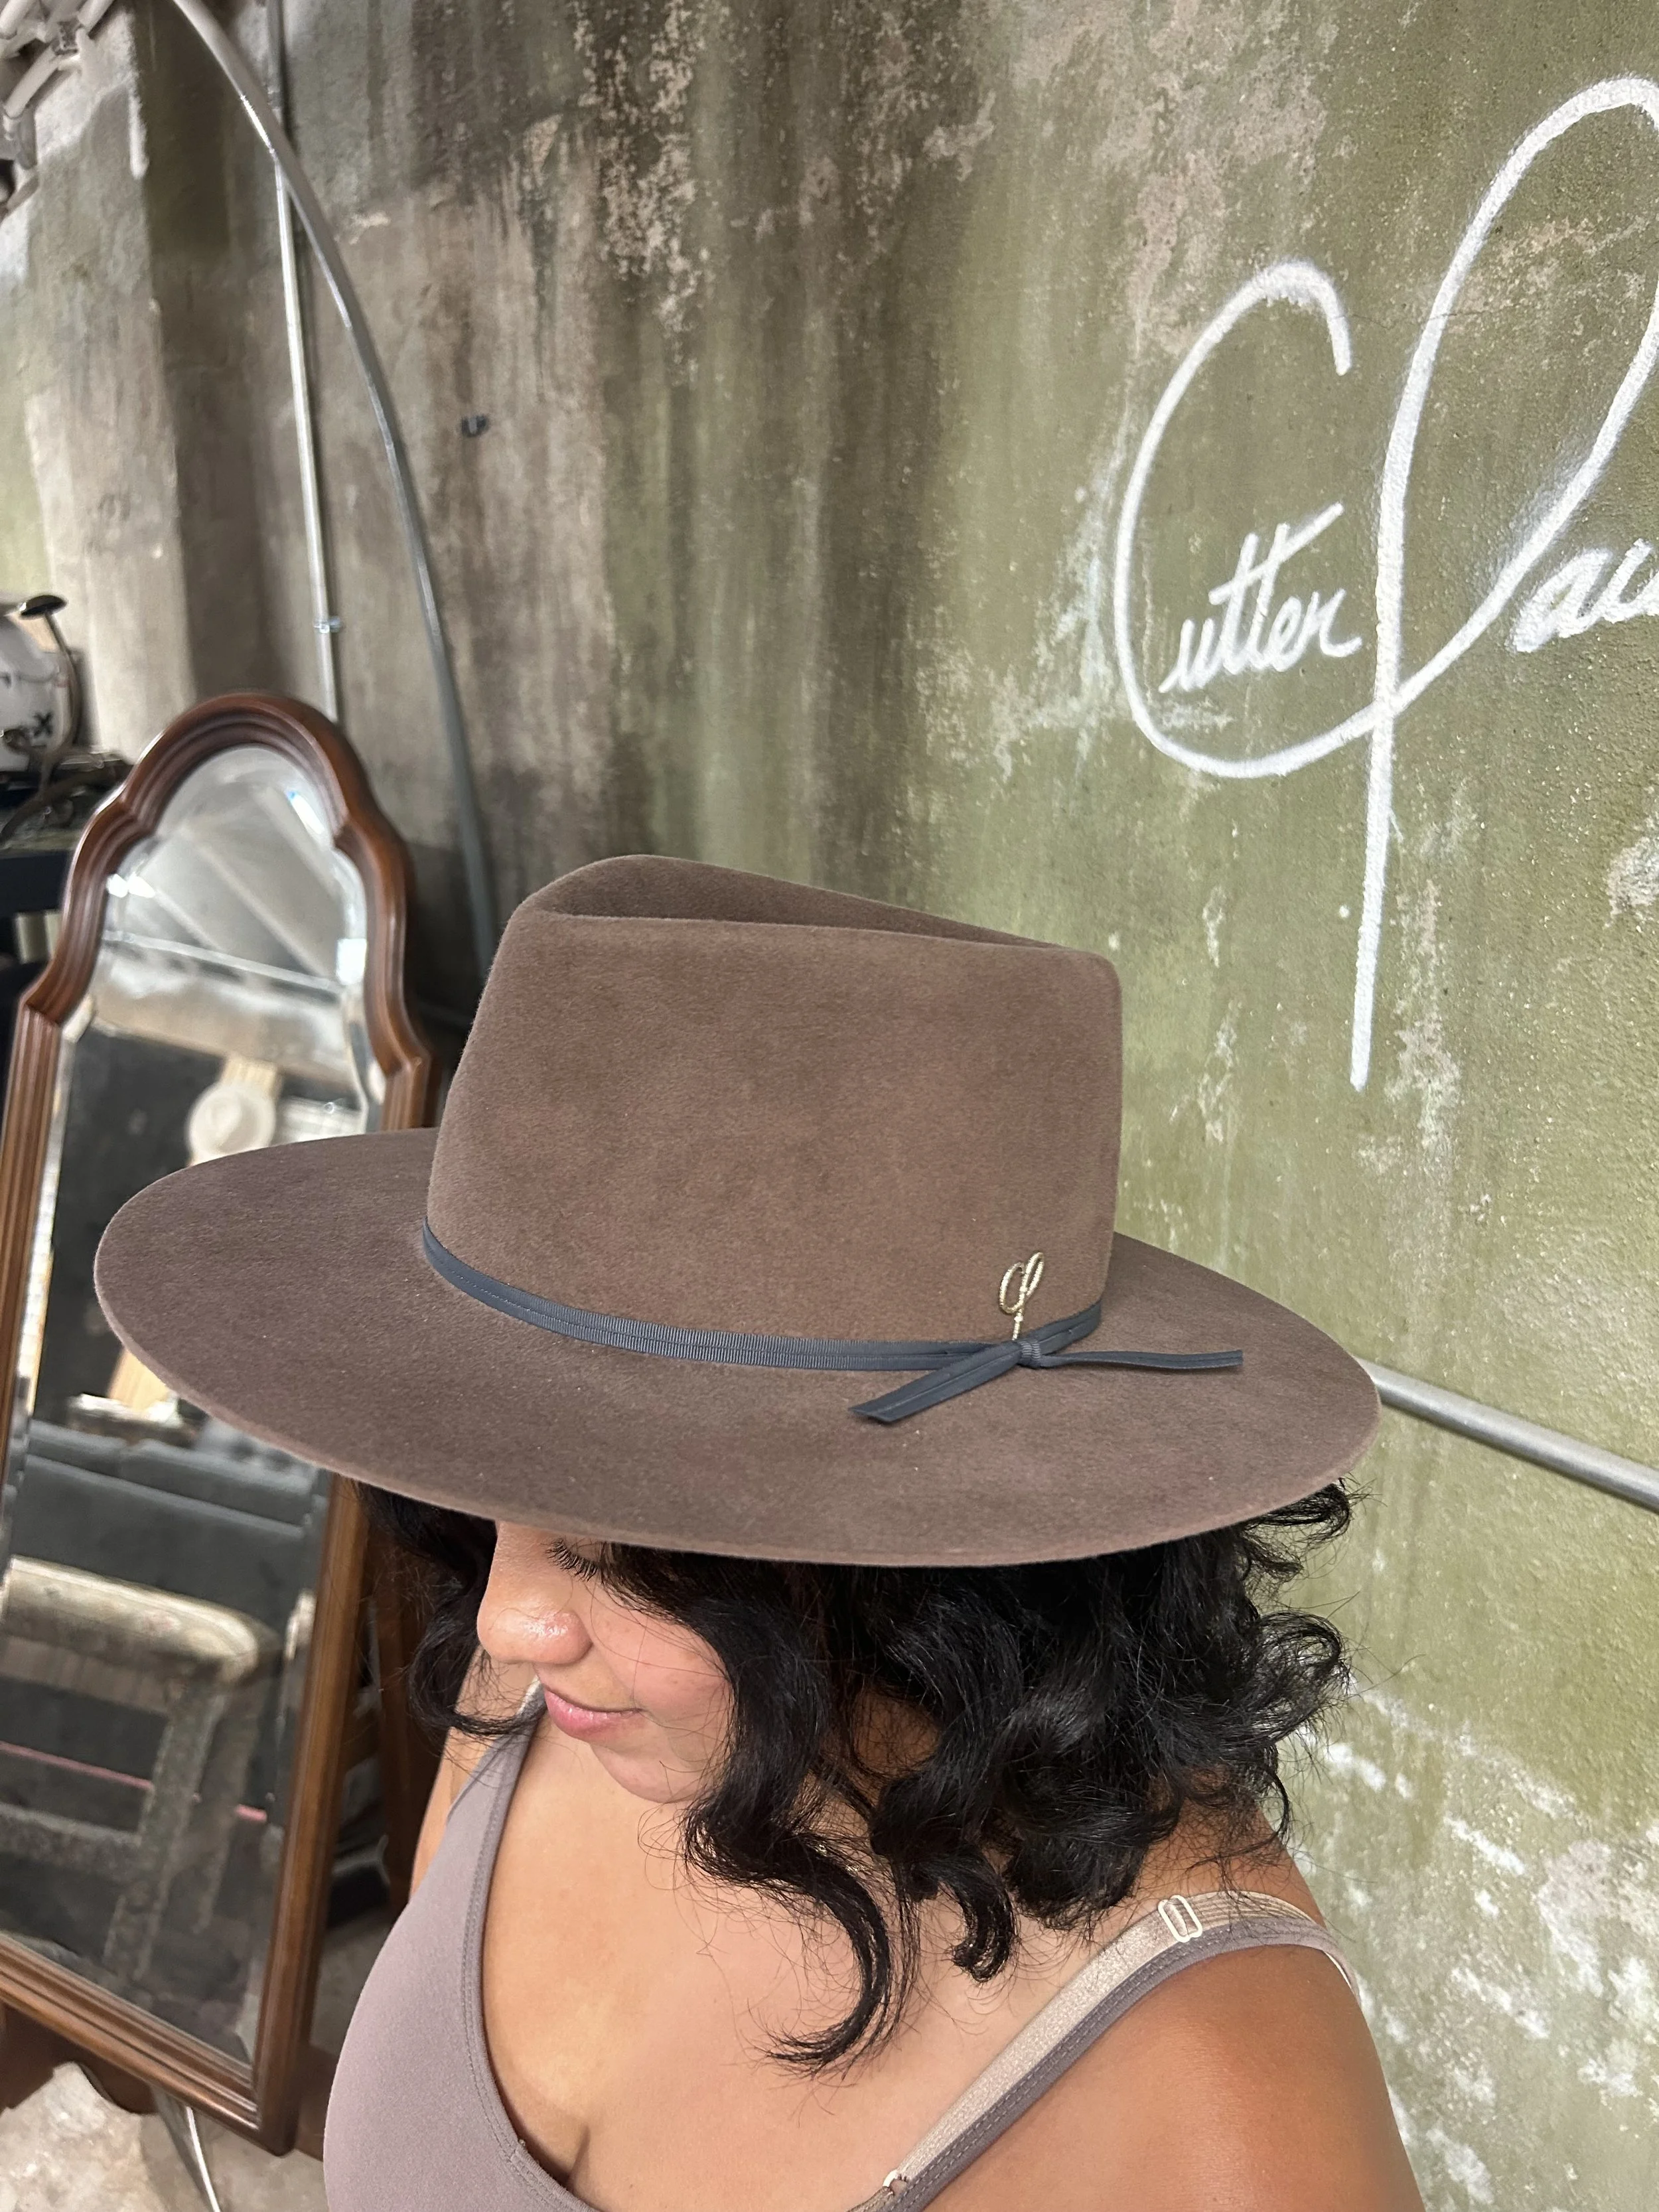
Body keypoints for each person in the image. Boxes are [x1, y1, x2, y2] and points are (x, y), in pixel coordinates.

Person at [95, 855, 1423, 2211]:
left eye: (626, 1536)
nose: (504, 1613)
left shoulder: (1218, 2109)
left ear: (932, 1553)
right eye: (490, 1483)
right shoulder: (555, 1687)